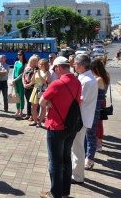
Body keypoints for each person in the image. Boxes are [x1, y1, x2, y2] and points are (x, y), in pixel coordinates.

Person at [39, 57, 81, 198]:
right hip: (71, 127)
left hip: (56, 126)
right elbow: (77, 102)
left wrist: (50, 102)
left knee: (55, 162)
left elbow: (41, 102)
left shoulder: (56, 84)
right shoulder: (77, 81)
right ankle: (65, 193)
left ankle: (54, 194)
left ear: (58, 68)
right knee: (66, 159)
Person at [71, 54, 98, 184]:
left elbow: (79, 100)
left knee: (77, 148)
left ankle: (77, 176)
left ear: (81, 65)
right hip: (82, 118)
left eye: (75, 64)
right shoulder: (87, 78)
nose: (74, 66)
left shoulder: (86, 80)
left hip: (80, 118)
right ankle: (75, 173)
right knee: (76, 147)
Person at [86, 58, 110, 169]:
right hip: (91, 109)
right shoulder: (96, 78)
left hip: (95, 109)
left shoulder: (98, 79)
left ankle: (90, 159)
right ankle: (88, 156)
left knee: (91, 134)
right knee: (88, 134)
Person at [94, 58, 110, 152]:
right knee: (99, 123)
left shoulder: (99, 77)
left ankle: (99, 143)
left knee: (98, 123)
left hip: (99, 100)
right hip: (103, 99)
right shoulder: (106, 74)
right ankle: (99, 142)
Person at [29, 58, 50, 127]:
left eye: (41, 64)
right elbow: (32, 81)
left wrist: (39, 75)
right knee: (33, 107)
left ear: (45, 65)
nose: (40, 65)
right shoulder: (38, 71)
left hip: (42, 90)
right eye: (39, 64)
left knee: (42, 107)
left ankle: (39, 122)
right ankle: (35, 121)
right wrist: (34, 74)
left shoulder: (47, 72)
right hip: (35, 89)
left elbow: (45, 82)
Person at [22, 55, 39, 121]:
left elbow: (35, 79)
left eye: (35, 61)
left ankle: (33, 115)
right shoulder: (27, 68)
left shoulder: (36, 69)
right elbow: (23, 76)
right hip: (26, 87)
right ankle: (28, 114)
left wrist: (29, 84)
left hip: (32, 87)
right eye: (32, 60)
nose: (33, 62)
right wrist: (24, 84)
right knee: (28, 101)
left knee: (33, 102)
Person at [12, 51, 27, 117]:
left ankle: (21, 110)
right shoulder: (16, 62)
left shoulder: (25, 63)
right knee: (16, 95)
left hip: (21, 81)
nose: (19, 56)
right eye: (18, 54)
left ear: (23, 55)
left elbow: (22, 74)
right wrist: (13, 80)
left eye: (20, 54)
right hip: (15, 81)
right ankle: (17, 110)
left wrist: (15, 80)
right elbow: (13, 71)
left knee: (21, 96)